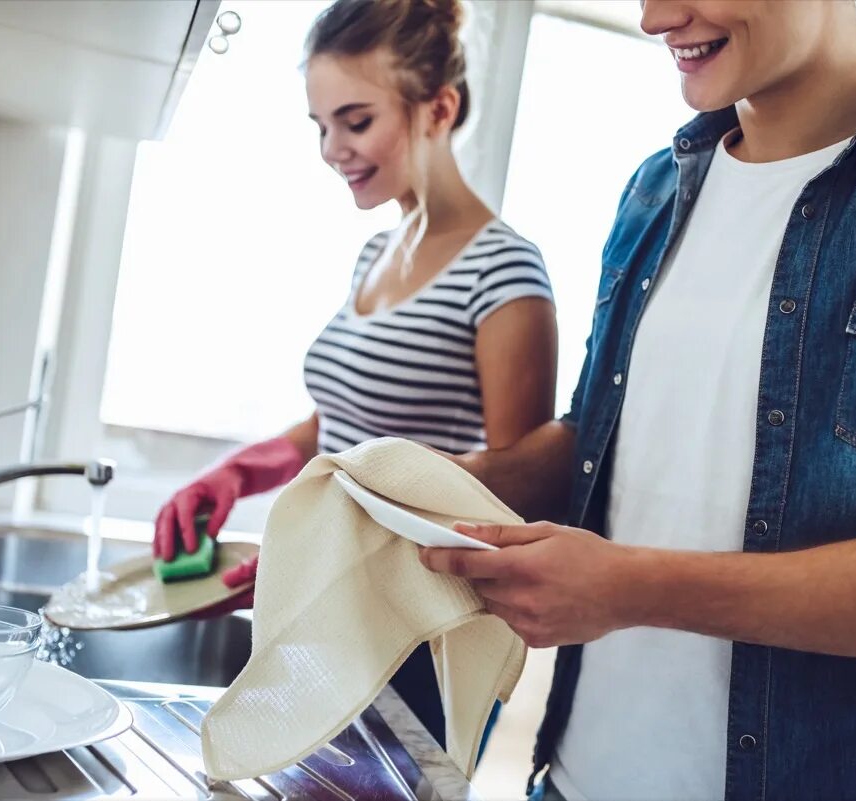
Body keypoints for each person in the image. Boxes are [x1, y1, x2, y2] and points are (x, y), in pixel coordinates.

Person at [418, 1, 856, 799]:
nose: (655, 17)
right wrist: (426, 487)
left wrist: (630, 588)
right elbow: (599, 437)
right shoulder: (655, 189)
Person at [154, 0, 558, 753]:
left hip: (409, 643)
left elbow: (509, 490)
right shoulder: (376, 254)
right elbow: (338, 425)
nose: (332, 148)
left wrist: (333, 545)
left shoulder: (503, 269)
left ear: (440, 108)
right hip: (337, 624)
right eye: (320, 126)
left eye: (355, 120)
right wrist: (236, 474)